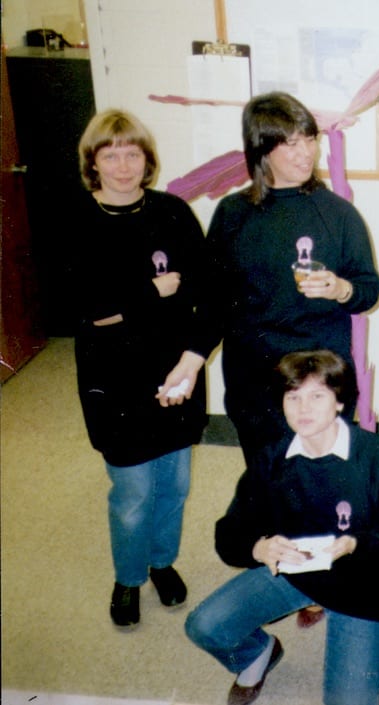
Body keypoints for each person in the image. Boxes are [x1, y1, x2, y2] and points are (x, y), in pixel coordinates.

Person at [157, 91, 379, 464]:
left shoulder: (339, 214)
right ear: (262, 150)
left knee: (318, 486)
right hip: (254, 377)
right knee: (266, 487)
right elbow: (214, 300)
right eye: (291, 143)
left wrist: (340, 288)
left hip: (320, 379)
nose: (306, 152)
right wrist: (193, 358)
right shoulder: (233, 214)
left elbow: (369, 290)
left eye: (310, 139)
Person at [185, 350, 379, 705]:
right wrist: (257, 548)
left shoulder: (376, 454)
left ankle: (368, 632)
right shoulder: (272, 458)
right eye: (293, 397)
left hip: (360, 586)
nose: (303, 408)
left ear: (339, 402)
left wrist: (354, 544)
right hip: (292, 574)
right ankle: (258, 654)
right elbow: (227, 534)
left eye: (316, 396)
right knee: (204, 626)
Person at [70, 109, 207, 628]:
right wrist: (151, 292)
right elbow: (79, 308)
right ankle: (128, 578)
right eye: (110, 154)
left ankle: (161, 562)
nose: (123, 166)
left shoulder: (173, 212)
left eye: (133, 154)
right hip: (114, 380)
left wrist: (190, 359)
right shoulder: (77, 219)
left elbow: (204, 290)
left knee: (173, 484)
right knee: (132, 492)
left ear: (147, 160)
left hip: (175, 372)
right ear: (94, 162)